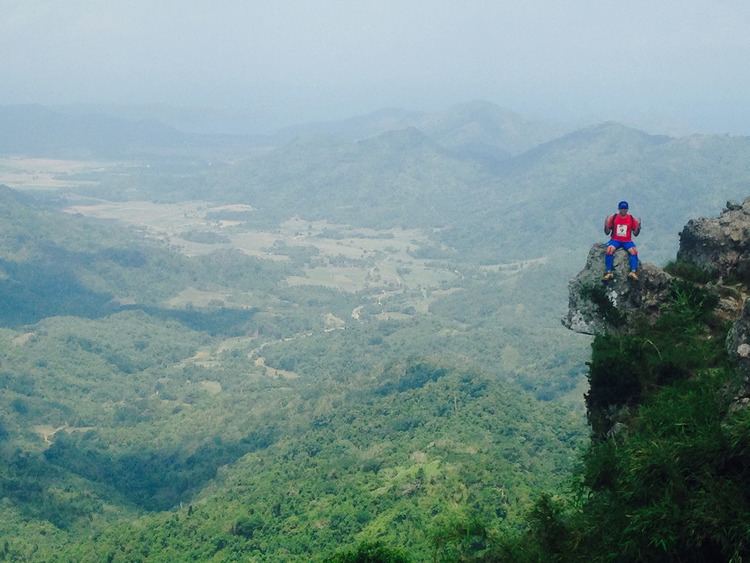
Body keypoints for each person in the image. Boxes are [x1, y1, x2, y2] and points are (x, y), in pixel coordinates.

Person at [602, 201, 641, 281]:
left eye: (625, 209)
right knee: (609, 250)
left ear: (627, 209)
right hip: (615, 240)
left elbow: (635, 233)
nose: (623, 210)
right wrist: (606, 224)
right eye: (622, 209)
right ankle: (608, 272)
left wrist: (638, 227)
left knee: (634, 251)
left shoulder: (631, 218)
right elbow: (607, 232)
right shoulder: (614, 217)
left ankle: (633, 272)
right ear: (619, 209)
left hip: (627, 241)